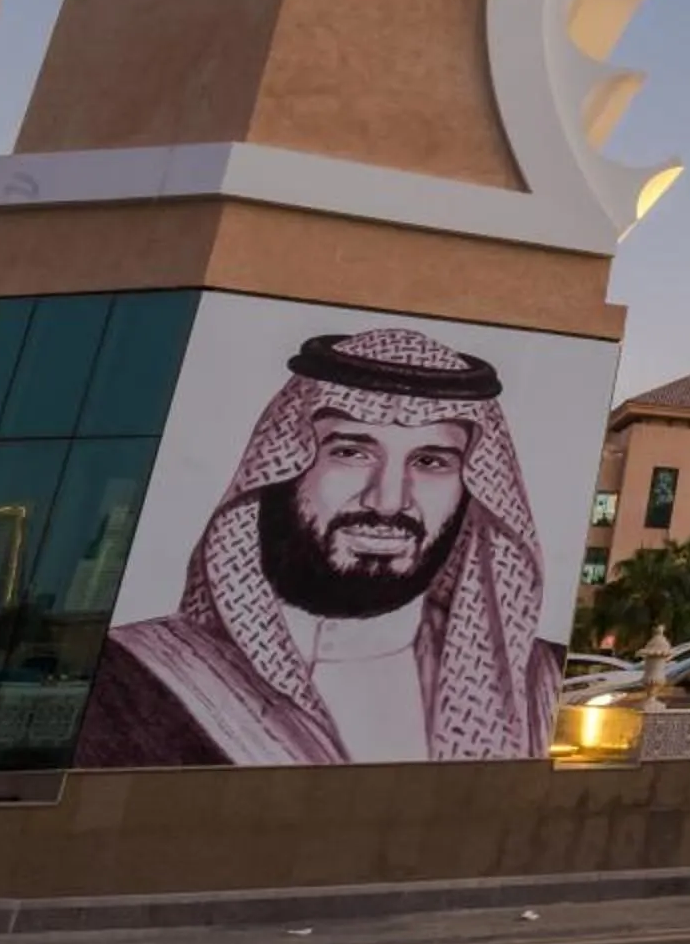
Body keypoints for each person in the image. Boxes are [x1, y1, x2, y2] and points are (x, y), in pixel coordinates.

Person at [77, 328, 561, 766]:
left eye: (431, 461)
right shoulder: (129, 680)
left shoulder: (541, 683)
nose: (388, 501)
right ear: (282, 470)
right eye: (350, 452)